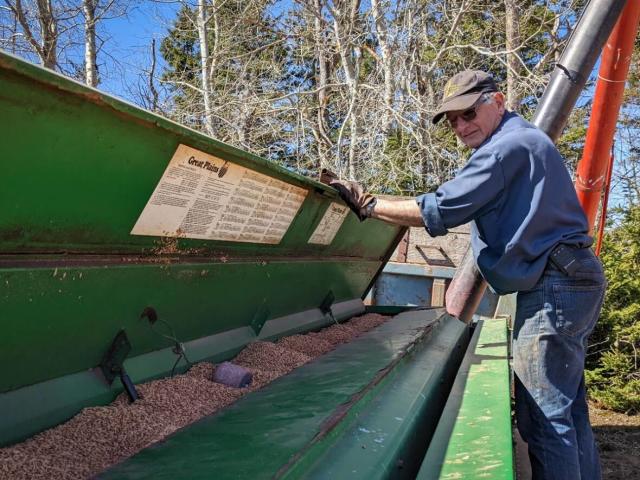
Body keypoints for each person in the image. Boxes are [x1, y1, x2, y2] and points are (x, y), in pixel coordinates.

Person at [328, 70, 606, 480]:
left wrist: (368, 204)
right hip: (569, 278)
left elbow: (438, 209)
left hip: (555, 285)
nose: (460, 126)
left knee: (544, 419)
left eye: (468, 112)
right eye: (452, 120)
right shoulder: (523, 141)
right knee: (567, 409)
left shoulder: (503, 149)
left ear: (498, 100)